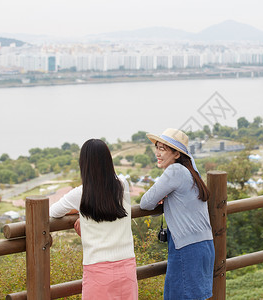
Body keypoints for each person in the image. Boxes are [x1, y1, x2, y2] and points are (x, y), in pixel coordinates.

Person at [49, 139, 138, 300]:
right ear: (108, 160)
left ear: (84, 163)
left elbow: (53, 212)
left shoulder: (81, 194)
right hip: (127, 265)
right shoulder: (122, 186)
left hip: (98, 270)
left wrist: (80, 210)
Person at [140, 128, 214, 300]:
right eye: (157, 147)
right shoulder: (192, 172)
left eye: (163, 149)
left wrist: (161, 199)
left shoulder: (175, 171)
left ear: (176, 154)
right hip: (205, 246)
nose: (157, 153)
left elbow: (145, 203)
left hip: (187, 249)